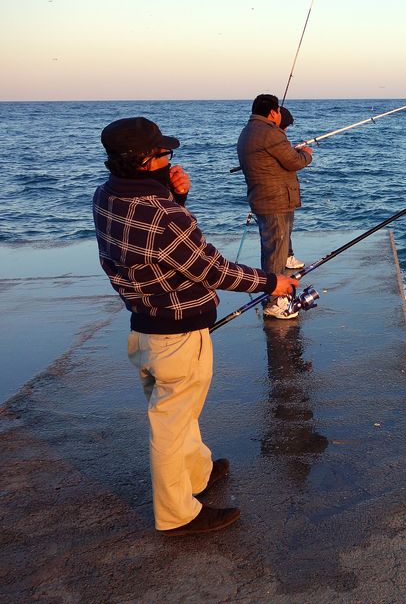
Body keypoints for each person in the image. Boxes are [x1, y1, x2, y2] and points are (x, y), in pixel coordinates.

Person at [93, 116, 299, 536]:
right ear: (146, 160)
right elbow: (211, 269)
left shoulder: (106, 196)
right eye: (164, 153)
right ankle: (177, 514)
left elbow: (158, 249)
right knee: (169, 423)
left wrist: (175, 195)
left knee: (180, 410)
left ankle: (198, 474)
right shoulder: (163, 214)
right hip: (177, 332)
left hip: (146, 326)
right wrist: (272, 282)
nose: (171, 157)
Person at [236, 94, 313, 319]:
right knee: (275, 251)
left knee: (274, 249)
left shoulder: (248, 131)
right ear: (272, 113)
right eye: (278, 111)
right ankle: (274, 302)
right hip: (274, 200)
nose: (280, 115)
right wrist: (306, 154)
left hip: (265, 198)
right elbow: (294, 162)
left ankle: (276, 295)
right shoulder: (270, 133)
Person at [277, 106, 304, 271]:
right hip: (281, 195)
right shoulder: (277, 138)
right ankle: (286, 258)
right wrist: (304, 154)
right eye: (286, 125)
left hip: (281, 194)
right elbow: (293, 163)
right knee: (283, 228)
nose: (287, 129)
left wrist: (291, 152)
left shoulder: (274, 138)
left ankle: (287, 256)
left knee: (284, 229)